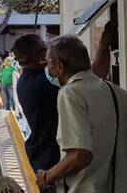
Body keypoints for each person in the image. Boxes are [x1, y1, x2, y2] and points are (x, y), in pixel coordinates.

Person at [36, 35, 127, 192]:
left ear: (59, 66)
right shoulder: (116, 91)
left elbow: (79, 155)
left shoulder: (70, 94)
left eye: (47, 63)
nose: (47, 69)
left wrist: (47, 177)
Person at [11, 34, 60, 174]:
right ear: (35, 55)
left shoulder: (24, 81)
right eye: (45, 49)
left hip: (40, 154)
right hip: (51, 158)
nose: (48, 52)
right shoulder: (43, 82)